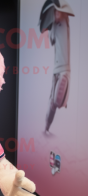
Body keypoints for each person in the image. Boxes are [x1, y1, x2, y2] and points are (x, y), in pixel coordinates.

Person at [45, 1, 74, 132]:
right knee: (52, 103)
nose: (57, 14)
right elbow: (51, 41)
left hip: (64, 69)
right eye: (55, 12)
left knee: (58, 99)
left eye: (59, 11)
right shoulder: (54, 26)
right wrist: (50, 26)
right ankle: (46, 128)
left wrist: (60, 10)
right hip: (55, 69)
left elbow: (69, 11)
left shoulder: (65, 22)